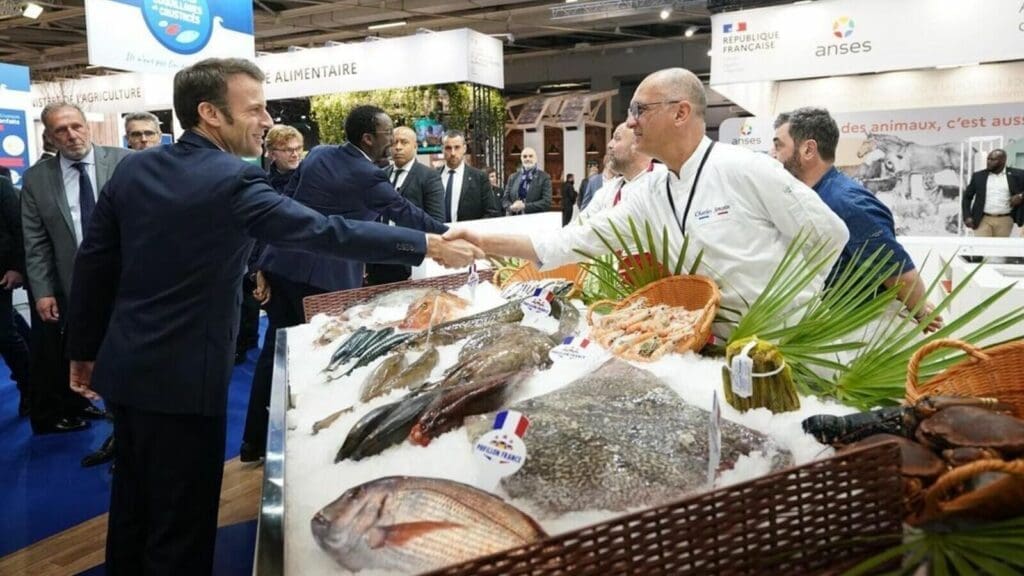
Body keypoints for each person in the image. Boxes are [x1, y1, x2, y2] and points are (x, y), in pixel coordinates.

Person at [65, 58, 480, 576]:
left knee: (131, 510)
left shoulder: (134, 168)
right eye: (255, 108)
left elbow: (95, 262)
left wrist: (83, 349)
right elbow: (327, 231)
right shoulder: (233, 181)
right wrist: (425, 243)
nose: (266, 121)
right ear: (209, 113)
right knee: (182, 527)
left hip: (126, 369)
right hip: (187, 380)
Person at [446, 68, 848, 335]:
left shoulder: (745, 169)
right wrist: (479, 242)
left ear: (680, 113)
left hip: (783, 345)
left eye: (640, 109)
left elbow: (830, 235)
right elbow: (567, 244)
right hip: (706, 343)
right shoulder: (651, 193)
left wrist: (790, 305)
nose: (631, 120)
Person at [243, 105, 449, 462]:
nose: (392, 140)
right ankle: (305, 449)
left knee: (274, 357)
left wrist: (259, 262)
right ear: (368, 138)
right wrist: (452, 237)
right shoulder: (368, 176)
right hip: (324, 280)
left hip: (281, 265)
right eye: (388, 134)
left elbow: (283, 206)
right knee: (318, 358)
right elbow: (406, 214)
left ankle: (255, 444)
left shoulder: (320, 154)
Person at [773, 107, 941, 331]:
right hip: (836, 321)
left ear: (808, 149)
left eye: (778, 145)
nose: (773, 154)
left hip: (863, 328)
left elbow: (901, 275)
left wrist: (920, 312)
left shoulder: (846, 203)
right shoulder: (817, 195)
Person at [21, 102, 130, 435]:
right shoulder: (37, 179)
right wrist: (42, 292)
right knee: (92, 357)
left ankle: (130, 434)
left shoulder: (127, 163)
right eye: (60, 130)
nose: (71, 135)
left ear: (87, 125)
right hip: (77, 289)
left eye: (76, 126)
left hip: (131, 281)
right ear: (50, 137)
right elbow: (36, 242)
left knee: (131, 359)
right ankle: (117, 430)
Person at [365, 125, 446, 285]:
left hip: (409, 262)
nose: (398, 147)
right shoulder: (381, 174)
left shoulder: (429, 177)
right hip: (379, 261)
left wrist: (420, 266)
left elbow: (435, 221)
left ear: (415, 146)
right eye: (394, 143)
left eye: (404, 142)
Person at [578, 123, 657, 221]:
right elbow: (580, 226)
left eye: (617, 138)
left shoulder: (664, 182)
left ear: (637, 144)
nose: (609, 145)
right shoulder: (606, 191)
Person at [0, 175, 30, 417]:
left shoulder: (1, 185)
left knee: (5, 335)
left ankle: (31, 389)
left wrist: (17, 267)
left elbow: (19, 229)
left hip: (1, 274)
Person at [437, 130, 500, 223]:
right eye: (448, 148)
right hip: (438, 235)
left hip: (468, 235)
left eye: (457, 147)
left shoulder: (479, 177)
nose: (453, 153)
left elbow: (491, 212)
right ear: (442, 149)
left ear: (464, 148)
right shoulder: (432, 176)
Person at [962, 149, 1024, 237]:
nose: (988, 162)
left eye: (993, 160)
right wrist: (967, 216)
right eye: (988, 159)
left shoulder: (1018, 174)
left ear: (1003, 161)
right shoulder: (979, 176)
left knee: (999, 248)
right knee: (982, 248)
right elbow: (967, 197)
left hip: (1005, 219)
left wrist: (1021, 196)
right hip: (982, 219)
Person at [502, 147, 552, 215]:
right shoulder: (512, 177)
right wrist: (511, 207)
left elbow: (546, 202)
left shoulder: (544, 177)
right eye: (525, 156)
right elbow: (505, 199)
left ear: (536, 159)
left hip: (534, 220)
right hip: (514, 219)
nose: (528, 159)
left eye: (531, 156)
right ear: (521, 159)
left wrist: (524, 206)